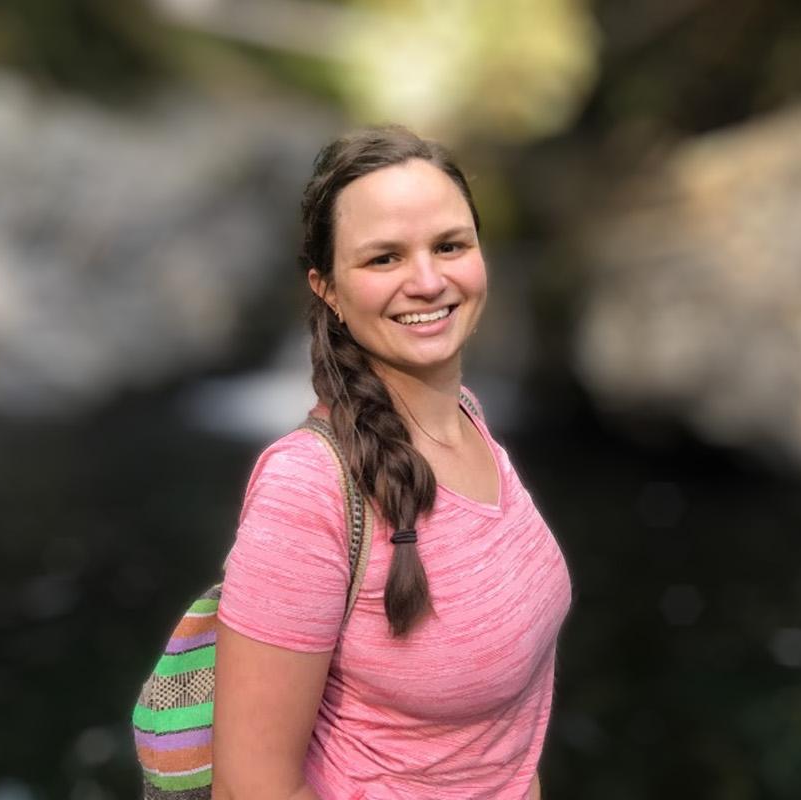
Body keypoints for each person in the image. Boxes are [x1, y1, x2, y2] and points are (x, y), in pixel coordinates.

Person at [210, 125, 571, 799]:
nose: (429, 281)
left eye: (450, 246)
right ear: (328, 289)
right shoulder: (308, 490)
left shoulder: (467, 419)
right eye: (384, 259)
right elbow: (247, 788)